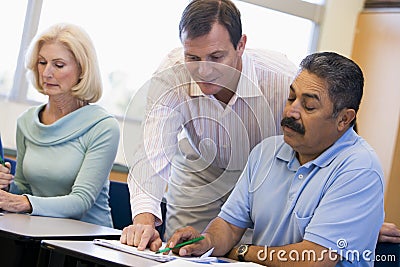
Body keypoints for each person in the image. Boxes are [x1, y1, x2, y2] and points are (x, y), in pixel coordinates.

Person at [166, 52, 384, 267]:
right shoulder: (266, 151)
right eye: (291, 98)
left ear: (344, 119)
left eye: (308, 106)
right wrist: (208, 241)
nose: (291, 111)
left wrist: (241, 251)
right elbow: (230, 226)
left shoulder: (360, 168)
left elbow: (314, 259)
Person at [120, 0, 296, 250]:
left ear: (241, 46)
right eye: (193, 57)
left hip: (262, 177)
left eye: (216, 57)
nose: (203, 70)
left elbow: (334, 135)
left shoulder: (283, 78)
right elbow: (151, 154)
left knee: (246, 252)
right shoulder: (172, 75)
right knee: (181, 248)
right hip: (199, 168)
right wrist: (144, 223)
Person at [0, 23, 120, 228]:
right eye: (42, 62)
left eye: (58, 65)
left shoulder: (103, 127)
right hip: (35, 231)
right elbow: (24, 187)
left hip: (87, 244)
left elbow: (80, 201)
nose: (46, 73)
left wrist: (23, 202)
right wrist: (7, 186)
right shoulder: (26, 121)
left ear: (82, 70)